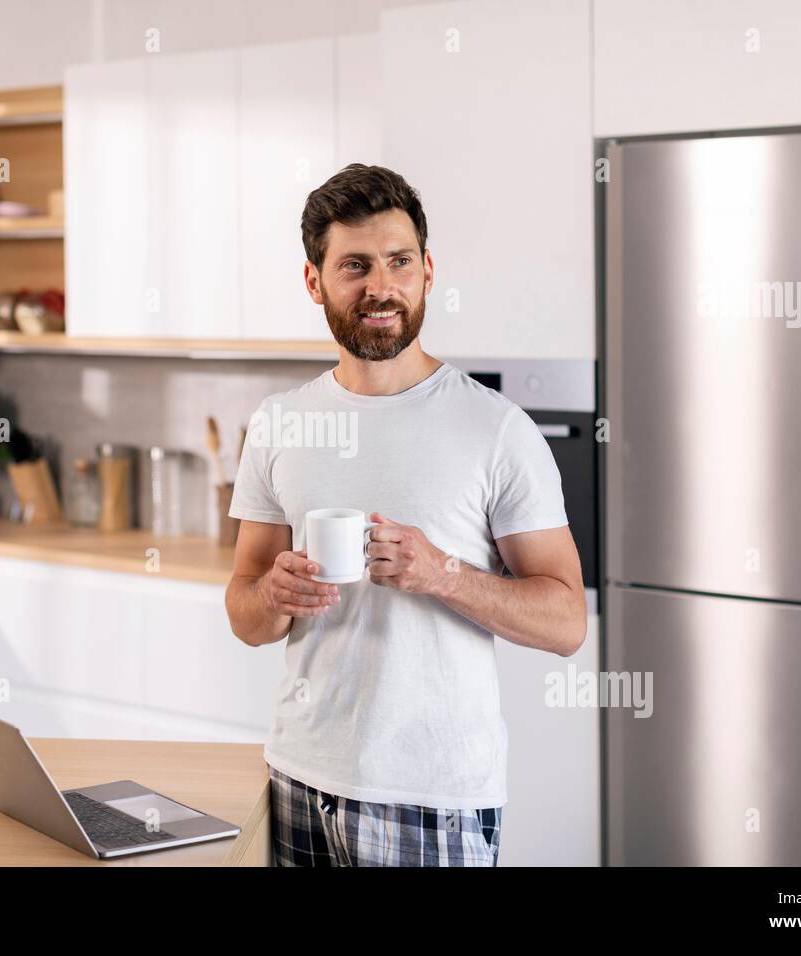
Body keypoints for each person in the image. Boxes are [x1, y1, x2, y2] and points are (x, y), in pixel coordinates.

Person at [224, 163, 585, 866]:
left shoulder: (496, 429)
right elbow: (244, 613)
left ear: (426, 270)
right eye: (354, 265)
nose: (379, 287)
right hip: (299, 780)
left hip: (434, 800)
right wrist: (273, 595)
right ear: (314, 281)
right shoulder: (278, 424)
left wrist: (444, 574)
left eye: (398, 262)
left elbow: (567, 621)